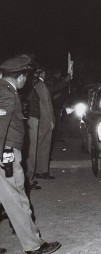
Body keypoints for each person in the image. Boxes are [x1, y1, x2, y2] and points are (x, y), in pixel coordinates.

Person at [0, 55, 61, 253]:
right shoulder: (8, 94)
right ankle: (33, 245)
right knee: (17, 199)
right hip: (6, 152)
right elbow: (1, 126)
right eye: (25, 76)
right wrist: (3, 154)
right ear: (20, 76)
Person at [33, 68, 56, 180]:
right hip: (45, 120)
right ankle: (42, 170)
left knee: (40, 144)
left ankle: (39, 169)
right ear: (42, 73)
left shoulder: (38, 85)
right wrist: (50, 120)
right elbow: (45, 105)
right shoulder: (41, 85)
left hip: (42, 119)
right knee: (44, 145)